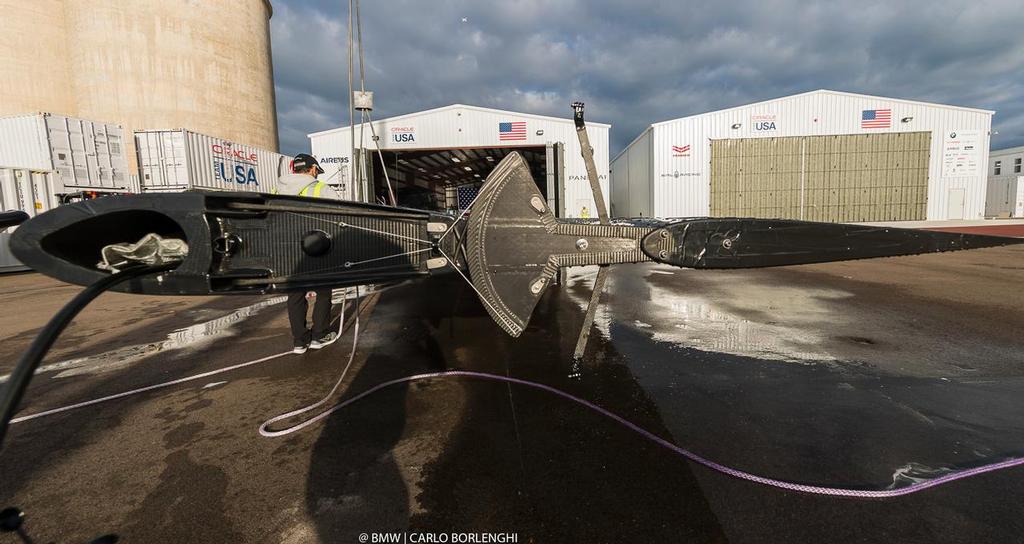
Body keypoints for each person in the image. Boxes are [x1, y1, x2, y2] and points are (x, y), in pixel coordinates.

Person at [278, 153, 342, 354]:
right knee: (323, 291)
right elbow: (343, 215)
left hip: (287, 249)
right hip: (316, 247)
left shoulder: (276, 189)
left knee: (295, 294)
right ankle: (319, 335)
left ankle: (299, 341)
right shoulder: (321, 188)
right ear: (313, 169)